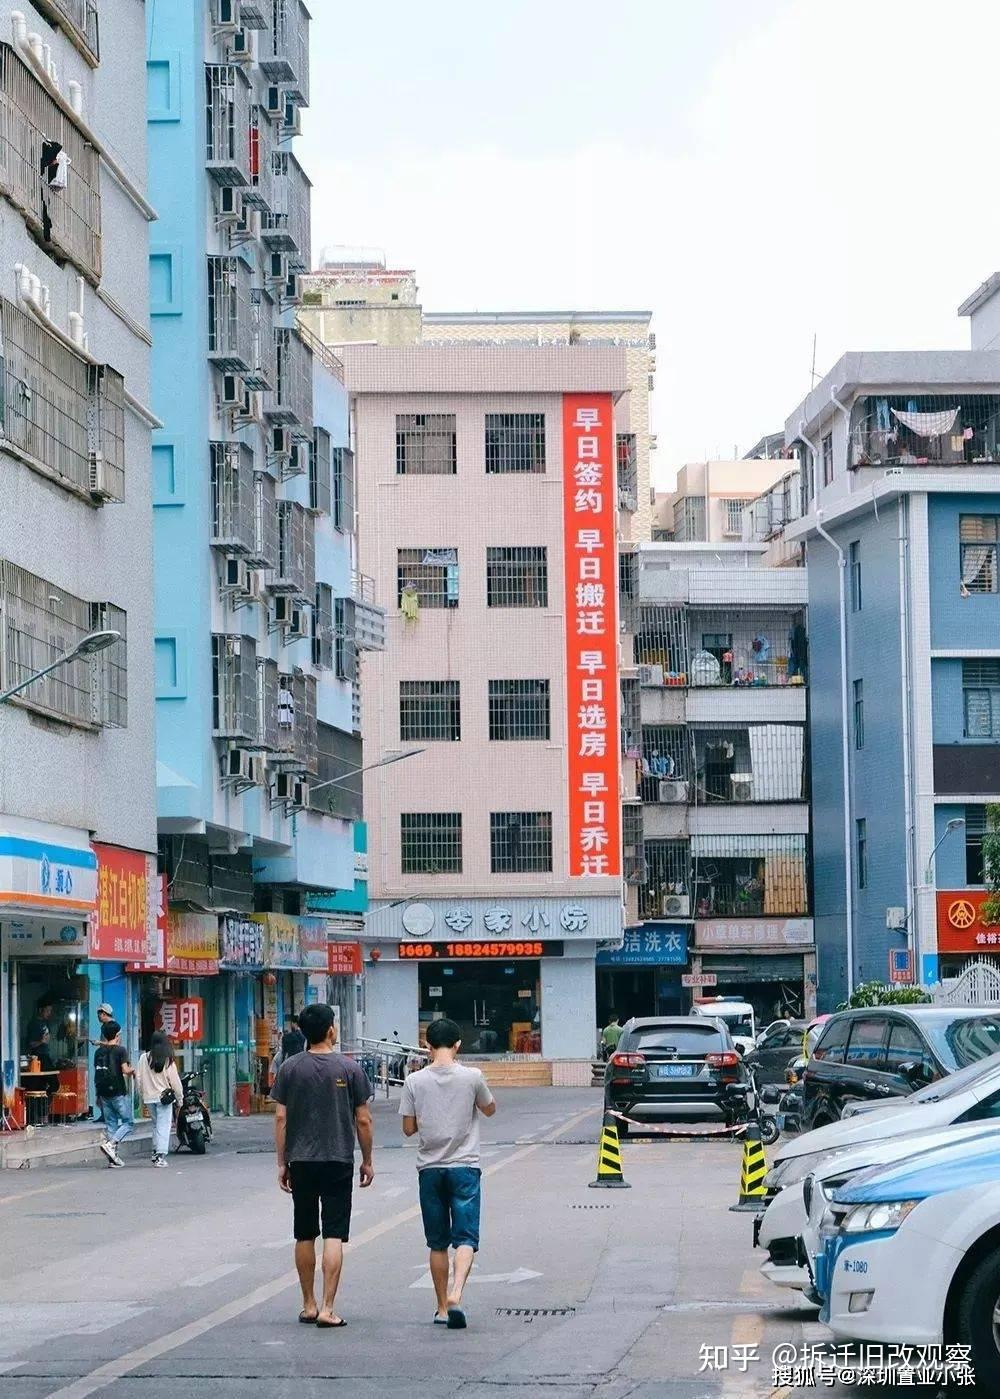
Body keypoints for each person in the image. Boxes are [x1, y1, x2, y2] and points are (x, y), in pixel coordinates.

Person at [271, 1003, 374, 1328]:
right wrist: (367, 1160)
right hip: (338, 1159)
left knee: (304, 1233)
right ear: (331, 1030)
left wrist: (282, 1162)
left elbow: (280, 1117)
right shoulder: (349, 1069)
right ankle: (329, 1308)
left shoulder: (290, 1068)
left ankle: (309, 1304)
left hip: (301, 1160)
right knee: (333, 1233)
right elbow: (363, 1119)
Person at [400, 1017, 497, 1330]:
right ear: (458, 1044)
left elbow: (407, 1128)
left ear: (427, 1046)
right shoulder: (472, 1076)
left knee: (437, 1242)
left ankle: (442, 1307)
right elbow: (490, 1108)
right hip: (465, 1166)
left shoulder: (414, 1081)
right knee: (465, 1237)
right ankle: (457, 1293)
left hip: (430, 1169)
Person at [135, 1030, 183, 1168]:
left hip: (149, 1098)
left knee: (156, 1125)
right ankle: (160, 1155)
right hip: (164, 1099)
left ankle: (155, 1152)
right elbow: (175, 1082)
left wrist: (142, 1093)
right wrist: (180, 1099)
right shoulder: (168, 1060)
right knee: (163, 1126)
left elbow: (138, 1078)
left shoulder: (144, 1058)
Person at [94, 1021, 134, 1168]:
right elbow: (125, 1070)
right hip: (117, 1091)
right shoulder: (120, 1050)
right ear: (117, 1035)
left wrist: (97, 1094)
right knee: (128, 1122)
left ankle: (113, 1159)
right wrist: (133, 1071)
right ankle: (111, 1144)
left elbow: (98, 1072)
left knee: (111, 1124)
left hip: (103, 1092)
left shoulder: (98, 1052)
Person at [24, 997, 55, 1072]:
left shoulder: (45, 1022)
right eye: (47, 1010)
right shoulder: (34, 1024)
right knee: (53, 1082)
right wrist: (41, 1041)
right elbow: (30, 1044)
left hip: (45, 1055)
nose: (49, 1013)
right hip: (38, 1057)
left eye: (50, 1011)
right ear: (40, 1010)